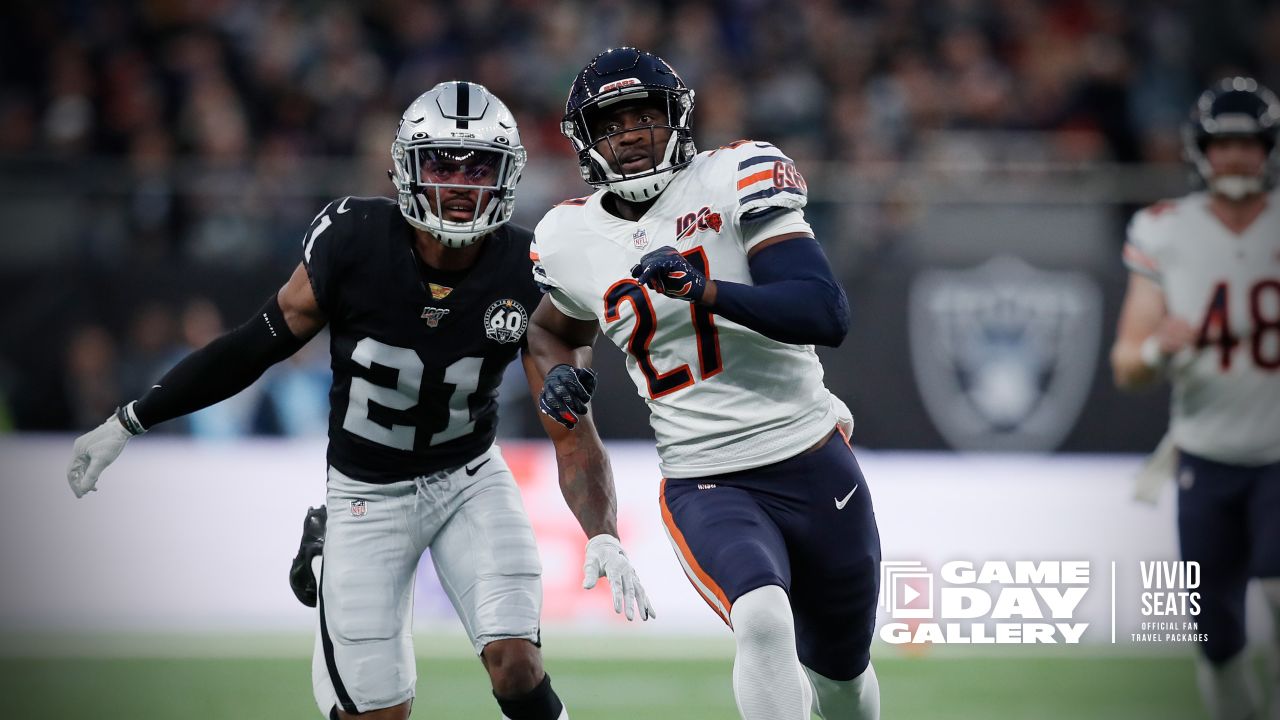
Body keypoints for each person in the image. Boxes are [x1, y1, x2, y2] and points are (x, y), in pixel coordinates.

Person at [65, 81, 653, 720]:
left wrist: (602, 532)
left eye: (479, 165)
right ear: (407, 168)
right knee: (380, 713)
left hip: (468, 477)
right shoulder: (355, 239)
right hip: (366, 492)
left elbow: (569, 420)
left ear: (507, 173)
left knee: (517, 661)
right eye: (442, 164)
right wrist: (132, 418)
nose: (461, 183)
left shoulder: (527, 263)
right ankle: (328, 559)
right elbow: (250, 347)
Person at [526, 47, 881, 720]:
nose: (629, 134)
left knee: (842, 677)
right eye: (611, 122)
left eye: (642, 115)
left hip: (811, 456)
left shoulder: (734, 176)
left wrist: (706, 291)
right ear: (584, 141)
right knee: (764, 620)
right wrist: (561, 381)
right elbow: (549, 332)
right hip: (706, 476)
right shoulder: (568, 237)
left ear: (677, 119)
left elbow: (823, 312)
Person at [1112, 76, 1280, 720]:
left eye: (1249, 143)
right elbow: (1128, 363)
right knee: (1214, 634)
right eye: (1224, 143)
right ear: (1201, 151)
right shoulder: (1165, 230)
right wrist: (1160, 349)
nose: (1236, 157)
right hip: (1205, 454)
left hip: (1276, 453)